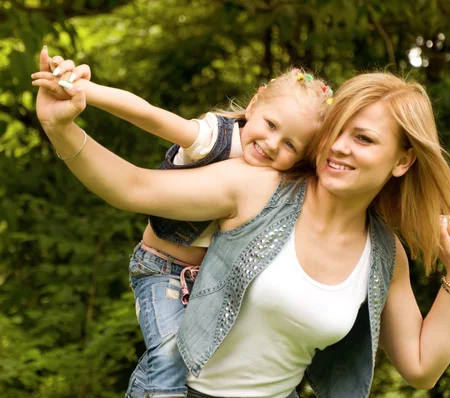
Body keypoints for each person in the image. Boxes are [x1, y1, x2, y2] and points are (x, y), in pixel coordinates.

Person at [32, 49, 450, 398]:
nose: (340, 147)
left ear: (402, 160)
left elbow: (422, 368)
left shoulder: (384, 254)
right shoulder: (261, 187)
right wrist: (61, 128)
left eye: (363, 139)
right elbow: (132, 188)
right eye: (337, 131)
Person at [31, 47, 333, 397]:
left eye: (290, 145)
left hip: (206, 283)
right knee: (170, 356)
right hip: (161, 268)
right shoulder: (212, 139)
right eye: (270, 125)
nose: (271, 144)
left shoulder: (281, 182)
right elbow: (150, 115)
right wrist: (83, 89)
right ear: (254, 105)